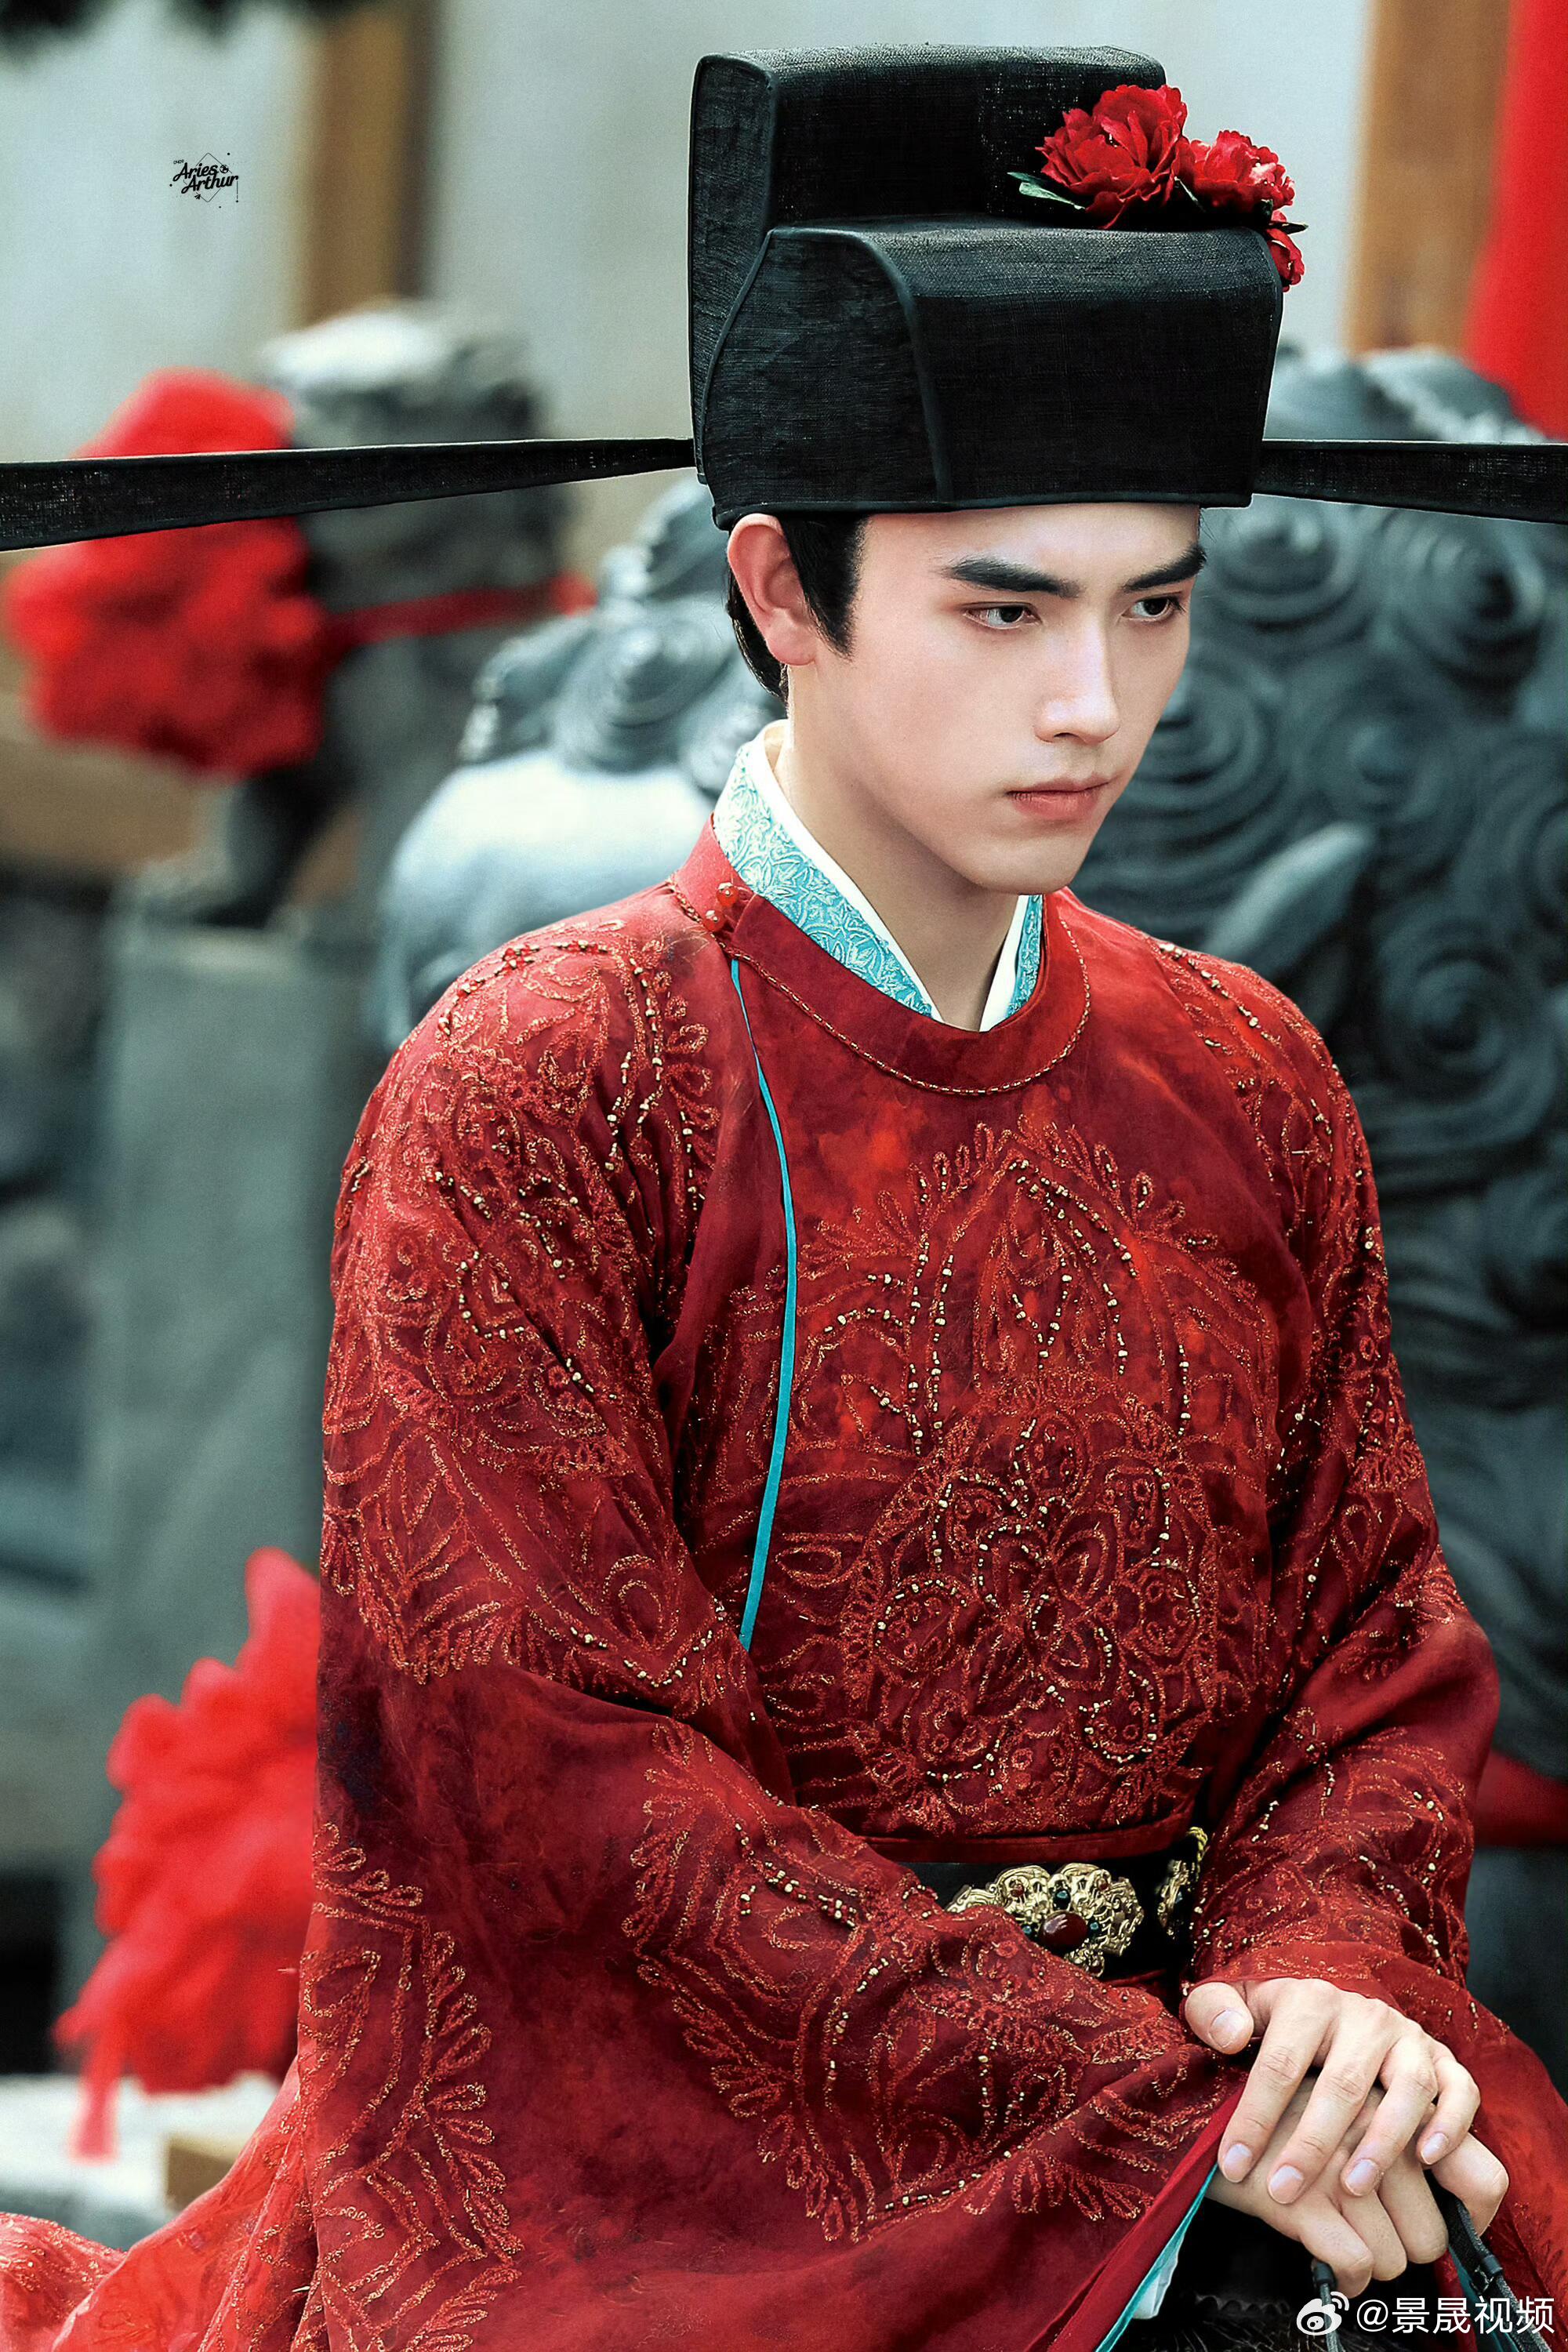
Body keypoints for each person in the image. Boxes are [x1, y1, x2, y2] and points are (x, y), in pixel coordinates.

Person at [2, 42, 1566, 2352]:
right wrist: (1145, 2125)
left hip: (1215, 2104)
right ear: (784, 592)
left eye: (1154, 607)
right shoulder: (541, 1082)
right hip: (686, 2177)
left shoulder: (1247, 1075)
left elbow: (1369, 1652)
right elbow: (558, 1779)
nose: (1094, 704)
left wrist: (1325, 1986)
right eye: (1005, 611)